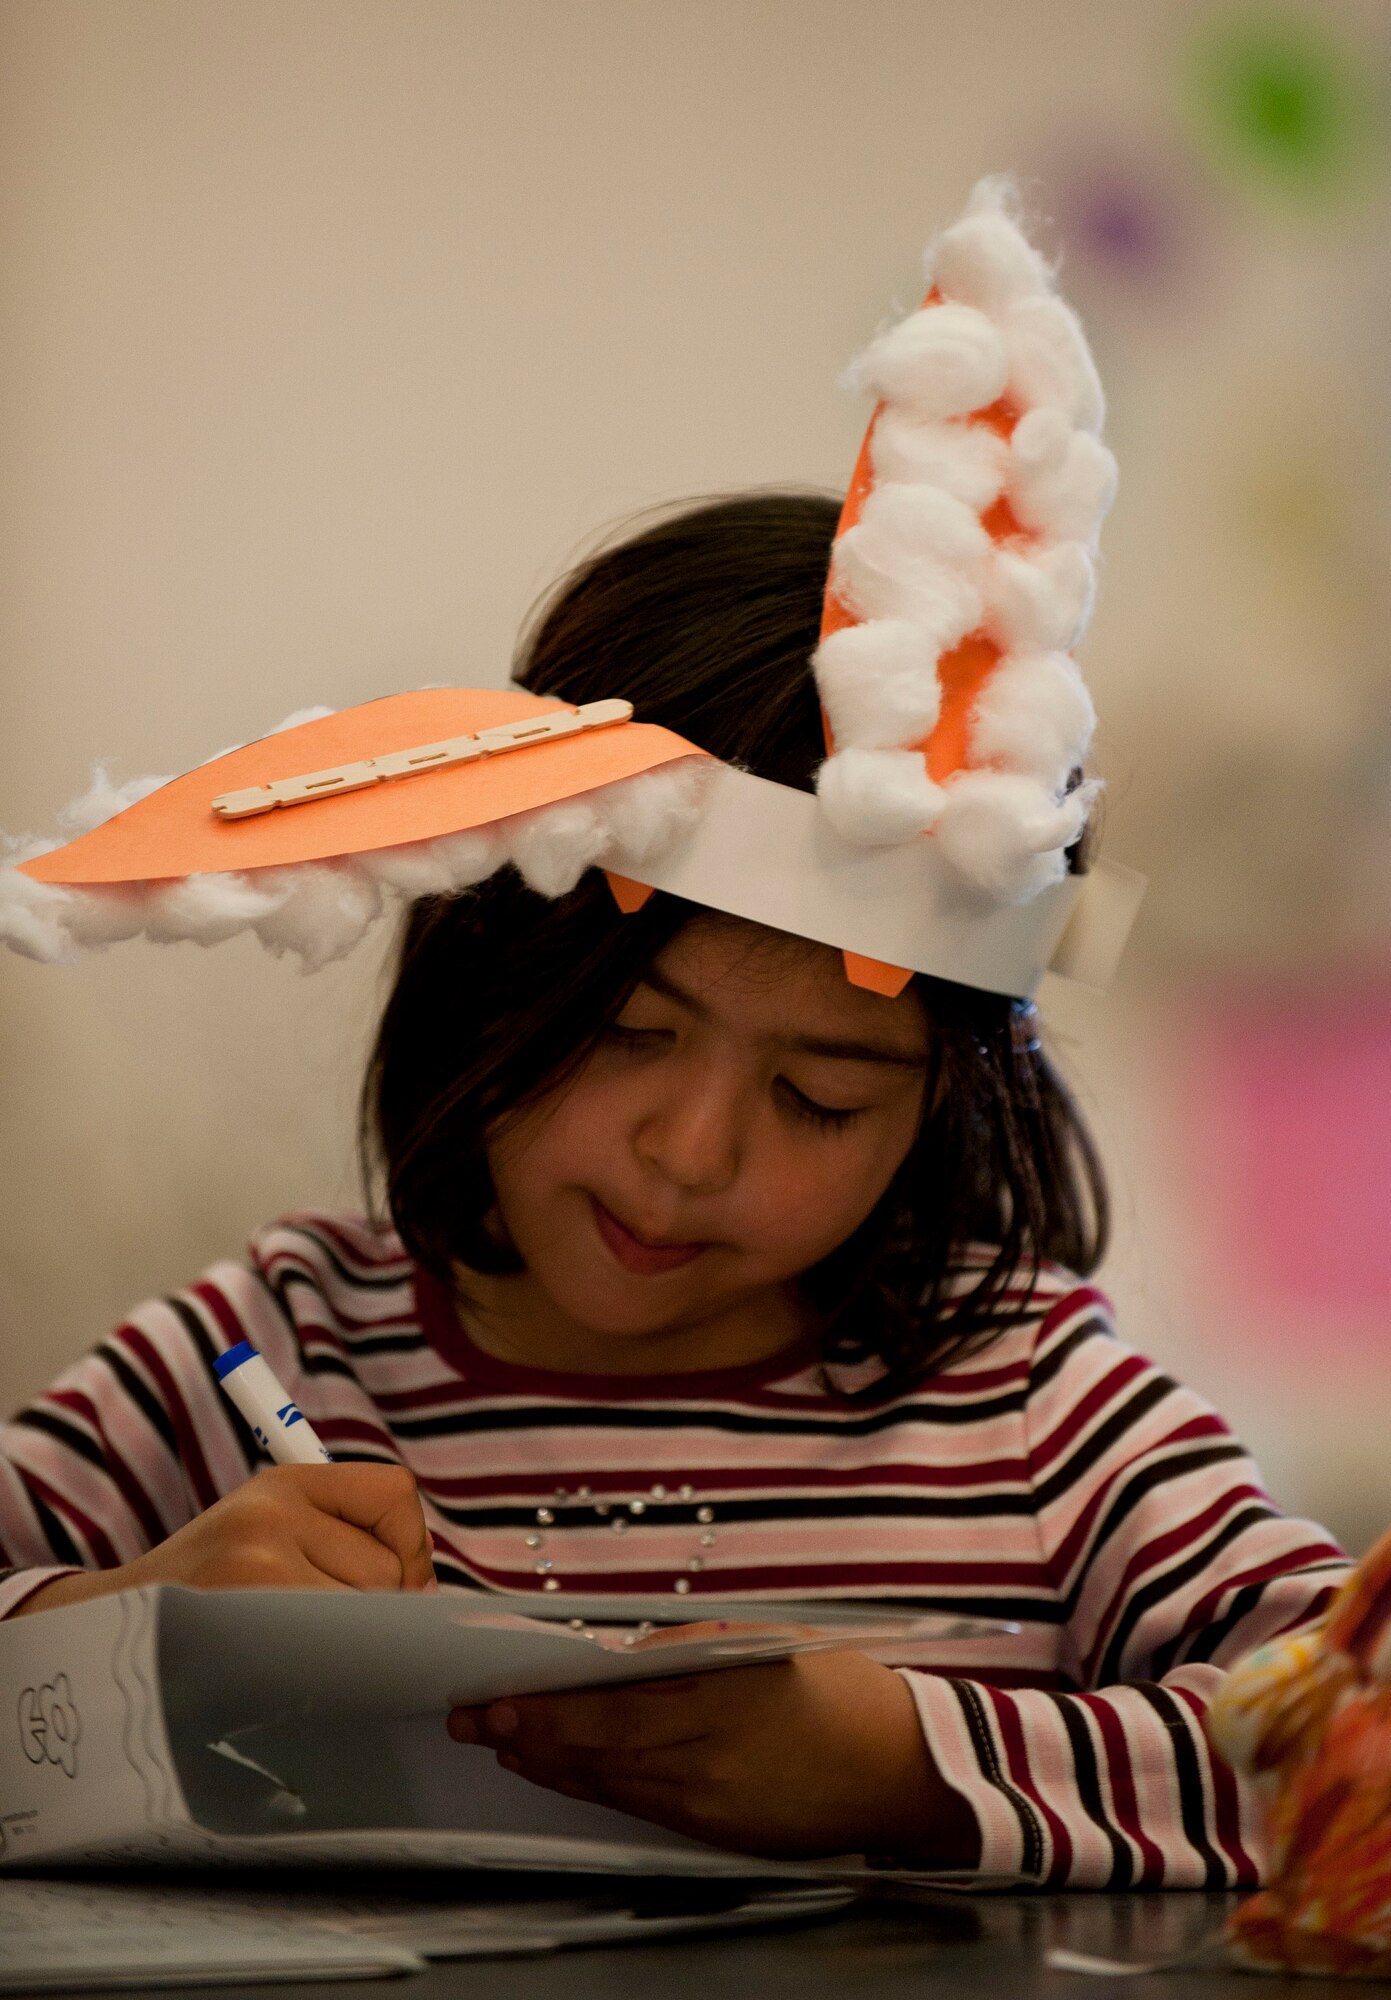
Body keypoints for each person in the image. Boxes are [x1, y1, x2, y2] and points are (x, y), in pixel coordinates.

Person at [0, 184, 1347, 1886]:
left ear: (940, 1108)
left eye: (818, 1093)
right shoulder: (265, 1354)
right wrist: (112, 1627)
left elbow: (1344, 1735)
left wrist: (906, 1770)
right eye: (631, 1036)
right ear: (487, 968)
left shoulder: (1030, 1408)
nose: (694, 1150)